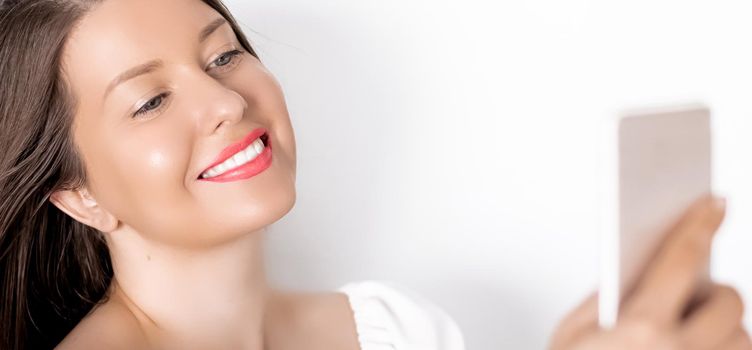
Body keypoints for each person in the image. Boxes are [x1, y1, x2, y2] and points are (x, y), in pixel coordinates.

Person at [0, 0, 745, 349]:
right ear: (78, 193)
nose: (226, 100)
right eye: (151, 99)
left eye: (224, 54)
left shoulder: (395, 327)